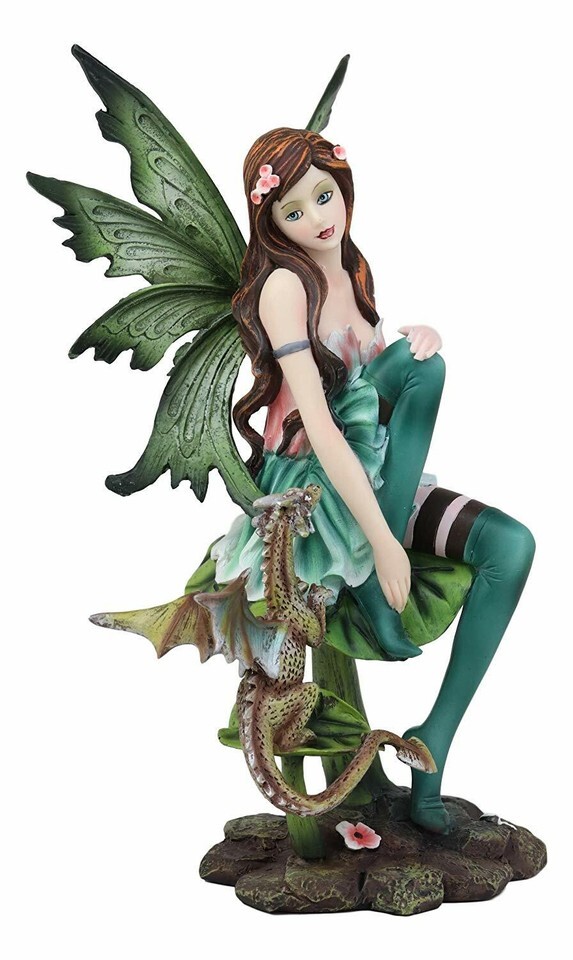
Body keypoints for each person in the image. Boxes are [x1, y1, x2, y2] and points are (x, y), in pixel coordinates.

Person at [210, 127, 536, 834]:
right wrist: (381, 547)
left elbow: (373, 398)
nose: (316, 218)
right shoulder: (283, 287)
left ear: (345, 189)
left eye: (324, 196)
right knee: (426, 372)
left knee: (511, 547)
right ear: (271, 222)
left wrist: (414, 341)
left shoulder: (351, 270)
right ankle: (361, 575)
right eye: (293, 211)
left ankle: (433, 743)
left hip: (378, 473)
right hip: (318, 493)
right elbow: (325, 426)